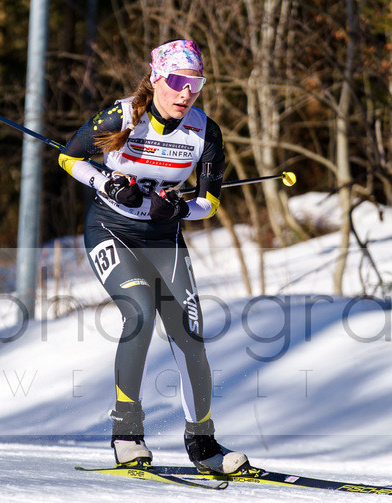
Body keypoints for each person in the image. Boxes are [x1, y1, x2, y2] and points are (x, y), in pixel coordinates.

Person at [58, 40, 248, 475]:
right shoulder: (122, 116)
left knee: (189, 331)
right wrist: (107, 185)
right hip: (112, 229)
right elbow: (68, 157)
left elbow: (210, 203)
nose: (186, 93)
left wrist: (180, 208)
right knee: (140, 312)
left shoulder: (205, 131)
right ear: (158, 78)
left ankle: (203, 444)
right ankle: (127, 433)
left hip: (164, 238)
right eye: (179, 82)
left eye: (195, 85)